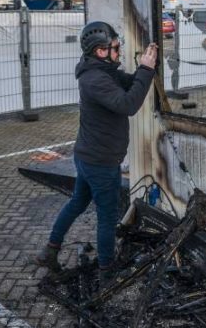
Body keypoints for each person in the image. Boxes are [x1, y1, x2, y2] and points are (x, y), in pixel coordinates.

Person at [35, 21, 158, 282]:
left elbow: (130, 83)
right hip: (100, 162)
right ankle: (106, 272)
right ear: (101, 51)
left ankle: (50, 251)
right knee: (107, 217)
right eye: (116, 47)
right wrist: (146, 70)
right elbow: (128, 104)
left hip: (89, 156)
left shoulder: (102, 70)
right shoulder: (95, 79)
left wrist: (145, 68)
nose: (119, 50)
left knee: (77, 202)